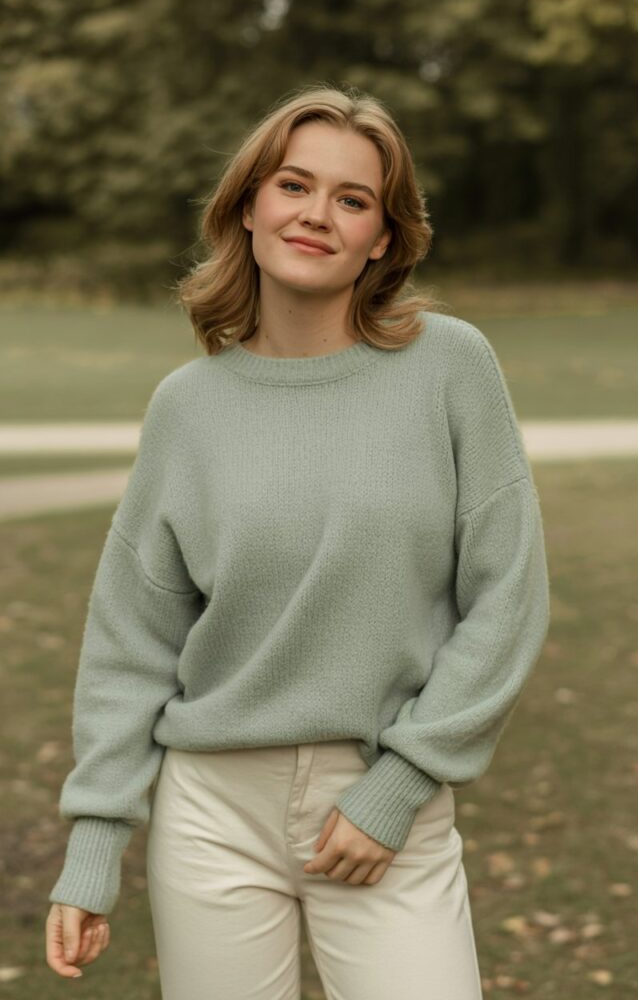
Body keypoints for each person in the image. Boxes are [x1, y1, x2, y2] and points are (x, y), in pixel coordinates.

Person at [45, 83, 551, 999]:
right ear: (249, 206)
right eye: (293, 185)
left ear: (384, 236)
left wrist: (399, 787)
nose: (318, 214)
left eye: (353, 200)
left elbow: (508, 597)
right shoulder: (187, 409)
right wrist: (93, 847)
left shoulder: (451, 367)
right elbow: (132, 642)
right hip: (209, 817)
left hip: (383, 802)